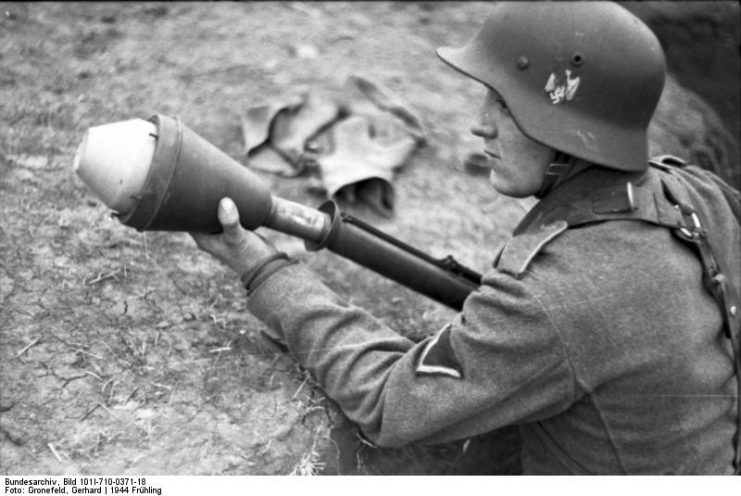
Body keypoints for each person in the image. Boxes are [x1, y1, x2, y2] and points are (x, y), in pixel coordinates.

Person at [190, 2, 741, 474]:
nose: (481, 124)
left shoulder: (554, 296)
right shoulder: (696, 194)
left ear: (570, 132)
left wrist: (264, 270)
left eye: (505, 103)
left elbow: (389, 402)